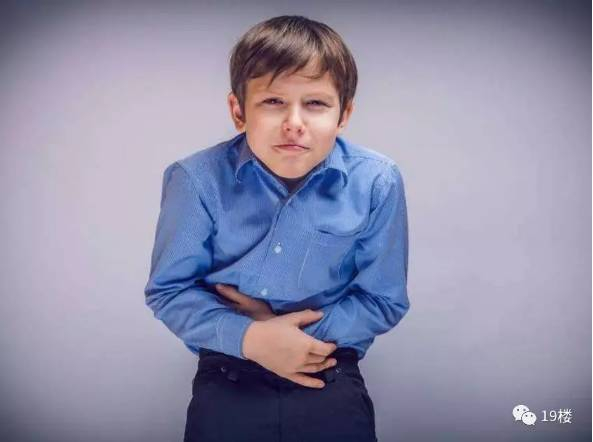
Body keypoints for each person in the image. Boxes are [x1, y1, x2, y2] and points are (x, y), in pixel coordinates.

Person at [144, 15, 410, 442]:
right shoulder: (196, 180)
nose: (294, 122)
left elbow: (383, 299)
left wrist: (287, 336)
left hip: (328, 365)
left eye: (316, 103)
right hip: (229, 367)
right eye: (272, 101)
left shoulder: (377, 181)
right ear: (238, 111)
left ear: (344, 114)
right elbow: (169, 290)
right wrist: (252, 338)